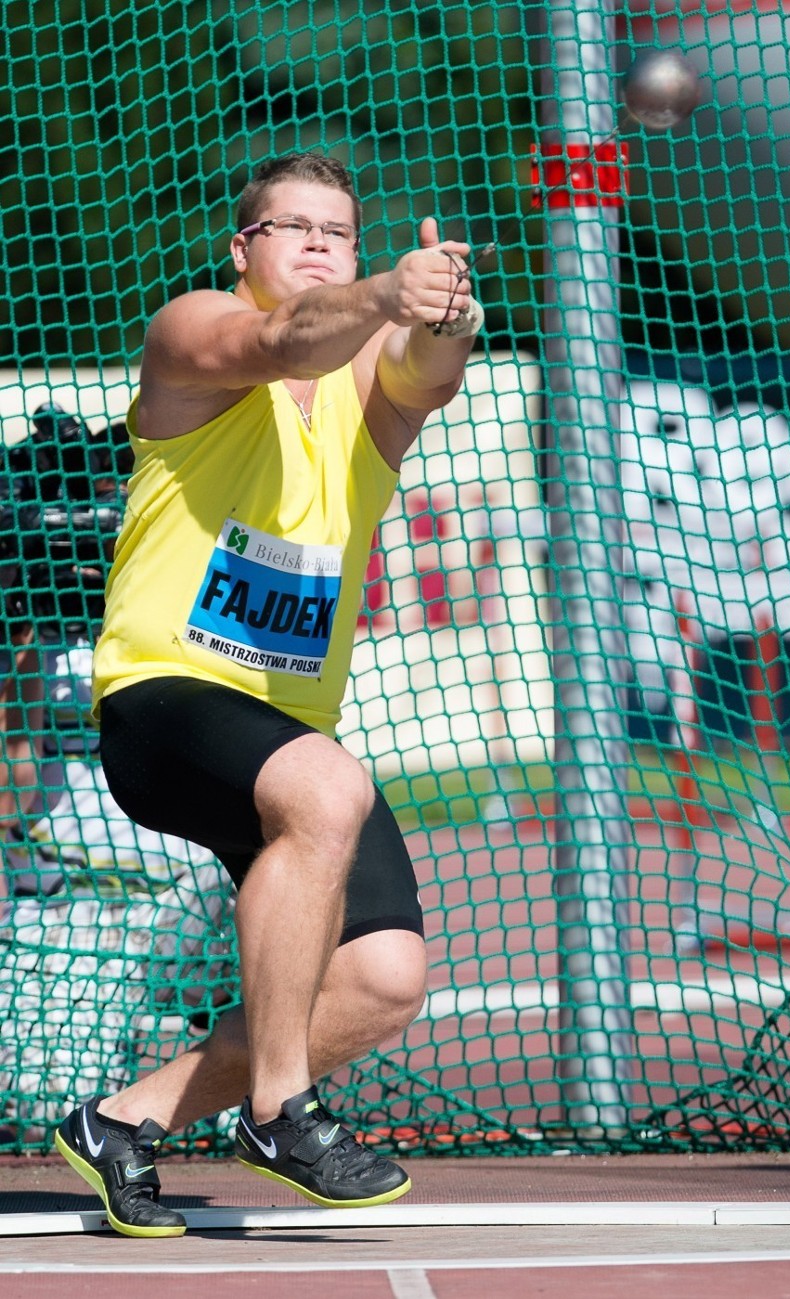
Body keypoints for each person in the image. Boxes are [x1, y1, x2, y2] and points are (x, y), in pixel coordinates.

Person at [54, 151, 483, 1238]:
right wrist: (388, 291)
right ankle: (281, 1111)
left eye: (337, 231)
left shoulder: (365, 399)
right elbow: (282, 338)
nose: (316, 243)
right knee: (328, 793)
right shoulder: (193, 332)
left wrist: (440, 313)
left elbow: (429, 374)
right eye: (289, 227)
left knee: (384, 978)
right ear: (242, 250)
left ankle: (121, 1123)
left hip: (284, 733)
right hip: (164, 699)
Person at [0, 403, 236, 1141]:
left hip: (199, 895)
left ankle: (245, 1068)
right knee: (46, 1112)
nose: (79, 536)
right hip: (73, 913)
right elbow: (13, 794)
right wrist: (26, 619)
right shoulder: (18, 638)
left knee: (315, 889)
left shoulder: (186, 595)